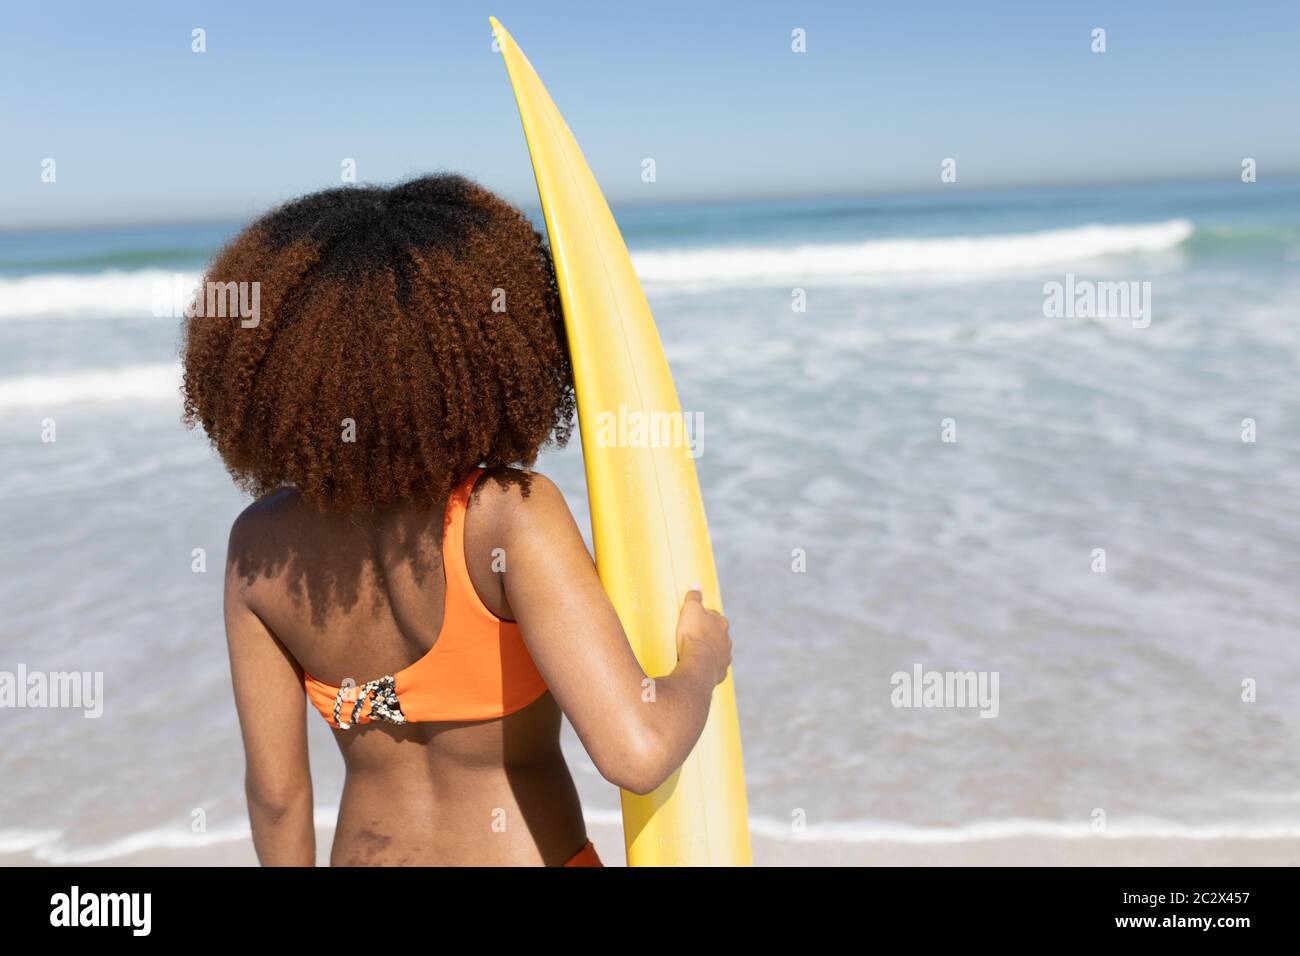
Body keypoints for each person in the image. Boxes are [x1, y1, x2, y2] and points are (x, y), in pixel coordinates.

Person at [181, 174, 732, 866]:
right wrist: (704, 661)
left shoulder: (258, 548)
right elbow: (639, 751)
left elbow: (276, 798)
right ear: (482, 354)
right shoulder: (506, 517)